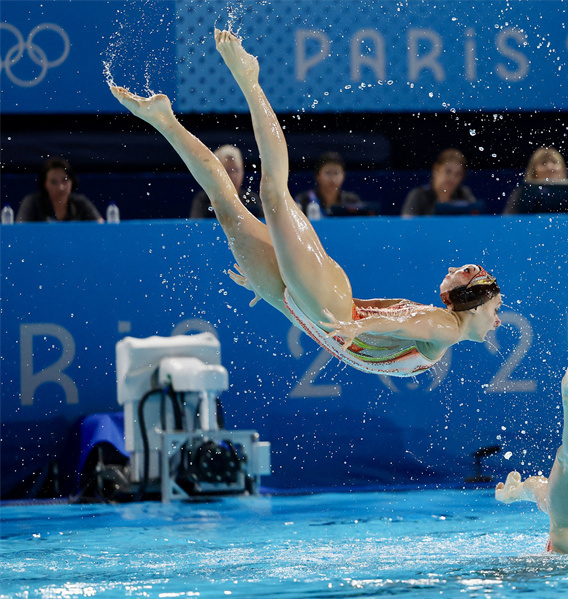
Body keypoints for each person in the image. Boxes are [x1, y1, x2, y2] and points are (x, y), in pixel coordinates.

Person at [109, 29, 502, 378]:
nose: (498, 320)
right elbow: (408, 326)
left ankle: (164, 121)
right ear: (475, 302)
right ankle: (249, 79)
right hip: (329, 304)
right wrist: (360, 328)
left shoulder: (441, 325)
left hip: (309, 311)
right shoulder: (447, 329)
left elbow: (379, 317)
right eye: (496, 309)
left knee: (226, 210)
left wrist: (280, 296)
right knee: (273, 194)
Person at [495, 363, 568, 554]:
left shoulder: (557, 515)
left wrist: (514, 493)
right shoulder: (556, 512)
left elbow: (536, 488)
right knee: (567, 464)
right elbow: (536, 487)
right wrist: (514, 493)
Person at [17, 157, 103, 223]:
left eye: (65, 180)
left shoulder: (81, 203)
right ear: (45, 184)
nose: (60, 187)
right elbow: (19, 231)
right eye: (54, 182)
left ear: (72, 181)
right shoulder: (31, 203)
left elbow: (101, 229)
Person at [189, 144, 262, 219]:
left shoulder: (251, 200)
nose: (232, 176)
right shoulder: (204, 200)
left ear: (242, 172)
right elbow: (196, 228)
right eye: (226, 171)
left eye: (236, 170)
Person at [401, 148, 476, 216]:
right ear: (436, 169)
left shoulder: (464, 194)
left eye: (458, 174)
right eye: (448, 171)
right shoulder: (418, 196)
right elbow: (407, 226)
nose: (452, 178)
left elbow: (475, 222)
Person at [502, 147, 568, 215]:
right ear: (533, 171)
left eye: (554, 162)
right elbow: (509, 222)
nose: (550, 167)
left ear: (563, 168)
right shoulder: (522, 195)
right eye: (544, 163)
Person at [294, 152, 364, 217]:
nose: (332, 178)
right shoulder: (303, 200)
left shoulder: (352, 201)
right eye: (328, 172)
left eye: (336, 173)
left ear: (343, 176)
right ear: (317, 176)